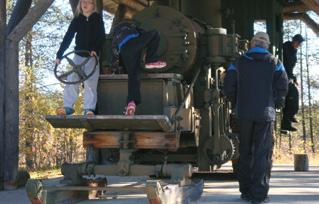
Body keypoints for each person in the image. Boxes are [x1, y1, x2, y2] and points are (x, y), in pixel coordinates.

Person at [224, 32, 288, 204]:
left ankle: (245, 191)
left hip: (243, 113)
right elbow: (283, 86)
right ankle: (259, 195)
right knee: (262, 153)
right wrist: (276, 103)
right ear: (266, 45)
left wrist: (235, 101)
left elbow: (229, 86)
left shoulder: (238, 62)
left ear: (252, 44)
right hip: (265, 114)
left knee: (245, 151)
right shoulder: (275, 62)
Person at [111, 4, 167, 116]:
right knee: (154, 33)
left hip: (125, 51)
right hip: (133, 44)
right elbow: (145, 34)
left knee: (134, 76)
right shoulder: (132, 27)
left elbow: (114, 49)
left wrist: (116, 66)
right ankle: (150, 60)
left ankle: (131, 103)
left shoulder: (116, 32)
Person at [55, 0, 105, 116]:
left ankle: (89, 109)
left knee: (90, 83)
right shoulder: (77, 20)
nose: (85, 4)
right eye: (83, 1)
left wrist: (95, 49)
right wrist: (59, 55)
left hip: (91, 57)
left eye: (89, 2)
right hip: (77, 56)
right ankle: (67, 107)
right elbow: (68, 37)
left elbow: (101, 36)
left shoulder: (97, 19)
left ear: (93, 5)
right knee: (72, 80)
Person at [281, 34, 304, 131]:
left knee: (292, 98)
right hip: (283, 76)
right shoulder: (286, 46)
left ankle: (288, 119)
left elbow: (291, 67)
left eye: (300, 43)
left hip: (288, 76)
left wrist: (294, 78)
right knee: (292, 95)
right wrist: (290, 77)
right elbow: (286, 64)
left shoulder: (294, 51)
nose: (298, 45)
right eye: (298, 42)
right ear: (294, 40)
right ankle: (288, 119)